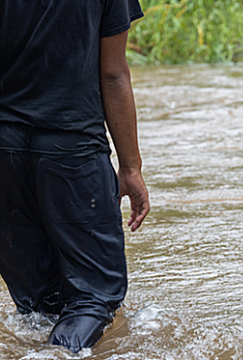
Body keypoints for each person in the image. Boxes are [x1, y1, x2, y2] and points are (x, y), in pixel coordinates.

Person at [0, 0, 149, 352]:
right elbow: (113, 73)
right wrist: (130, 168)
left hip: (4, 153)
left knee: (39, 305)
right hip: (72, 151)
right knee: (94, 298)